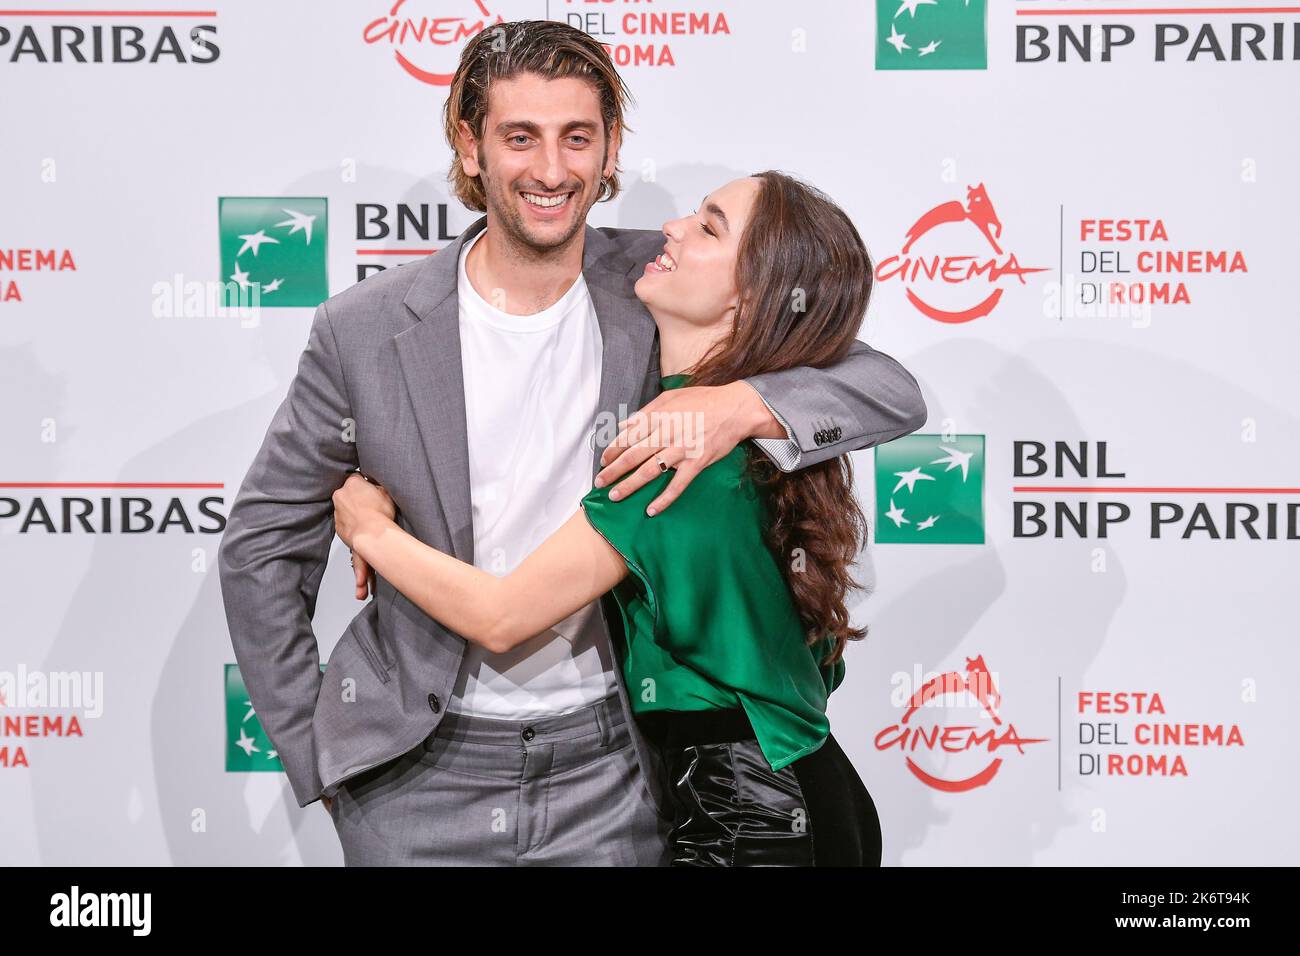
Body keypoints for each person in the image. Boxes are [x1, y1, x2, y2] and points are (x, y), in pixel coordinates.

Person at [218, 19, 925, 867]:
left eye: (576, 138)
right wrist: (319, 751)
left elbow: (887, 387)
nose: (551, 171)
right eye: (521, 137)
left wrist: (736, 405)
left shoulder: (657, 286)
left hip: (618, 770)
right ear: (470, 145)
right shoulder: (362, 330)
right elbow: (260, 546)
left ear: (610, 146)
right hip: (416, 777)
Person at [334, 170, 888, 866]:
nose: (675, 229)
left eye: (710, 226)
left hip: (755, 814)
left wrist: (367, 528)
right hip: (788, 792)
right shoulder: (741, 425)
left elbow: (502, 616)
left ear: (752, 299)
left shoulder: (672, 453)